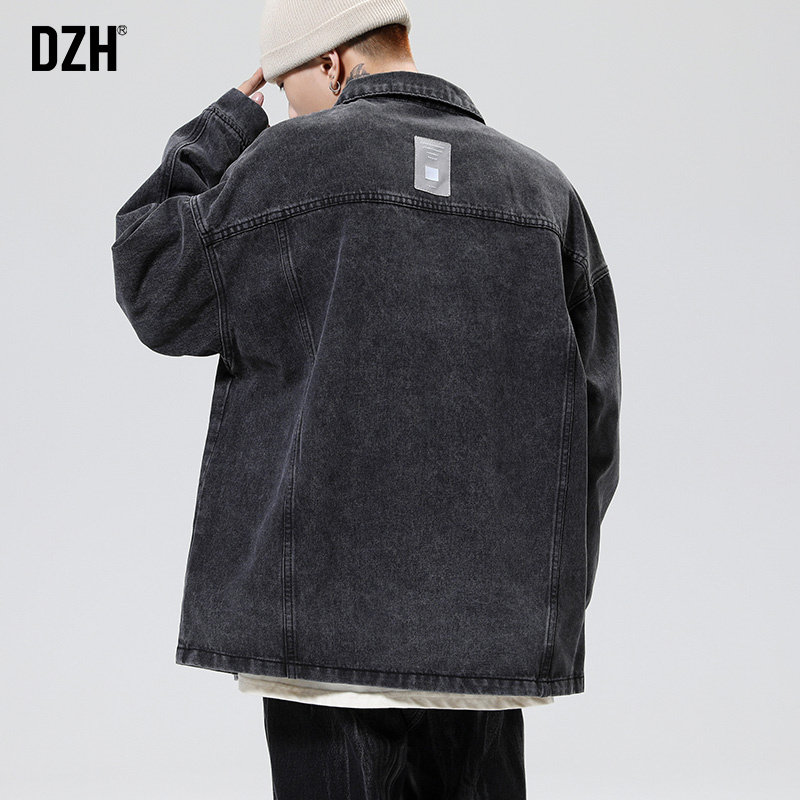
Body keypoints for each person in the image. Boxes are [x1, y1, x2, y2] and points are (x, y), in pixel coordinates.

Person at [111, 0, 622, 796]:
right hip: (487, 644)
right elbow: (595, 428)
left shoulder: (289, 163)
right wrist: (536, 602)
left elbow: (151, 278)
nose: (288, 112)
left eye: (288, 92)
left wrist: (224, 124)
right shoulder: (544, 192)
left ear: (332, 62)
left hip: (323, 645)